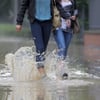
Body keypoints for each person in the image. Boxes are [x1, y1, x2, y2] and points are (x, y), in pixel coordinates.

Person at [16, 0, 54, 79]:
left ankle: (39, 68)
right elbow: (23, 6)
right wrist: (19, 22)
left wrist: (67, 16)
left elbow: (59, 5)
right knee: (39, 47)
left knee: (43, 49)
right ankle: (42, 74)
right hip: (35, 21)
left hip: (48, 21)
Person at [54, 0, 78, 79]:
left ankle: (58, 70)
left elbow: (75, 10)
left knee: (65, 50)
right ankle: (62, 71)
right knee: (62, 47)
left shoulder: (72, 1)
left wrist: (75, 15)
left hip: (69, 28)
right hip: (58, 26)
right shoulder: (55, 1)